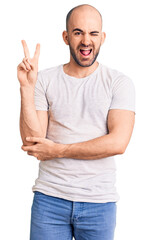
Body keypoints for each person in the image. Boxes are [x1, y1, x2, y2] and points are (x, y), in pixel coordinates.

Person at [17, 4, 135, 240]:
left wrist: (58, 150)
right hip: (50, 200)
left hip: (99, 203)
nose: (86, 41)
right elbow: (33, 143)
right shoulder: (44, 79)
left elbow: (118, 143)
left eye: (93, 33)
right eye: (78, 32)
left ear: (102, 38)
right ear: (66, 36)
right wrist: (26, 89)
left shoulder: (119, 83)